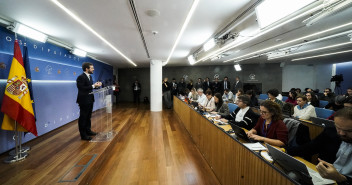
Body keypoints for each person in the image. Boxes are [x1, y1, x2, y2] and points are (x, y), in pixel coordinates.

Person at [316, 107, 352, 184]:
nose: (341, 133)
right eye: (338, 128)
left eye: (349, 131)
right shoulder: (331, 132)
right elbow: (310, 147)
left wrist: (340, 178)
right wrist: (285, 150)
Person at [76, 62, 102, 141]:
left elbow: (89, 88)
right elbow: (82, 88)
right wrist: (93, 85)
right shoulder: (81, 77)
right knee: (83, 117)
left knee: (88, 117)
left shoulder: (90, 77)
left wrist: (96, 86)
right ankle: (83, 135)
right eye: (92, 68)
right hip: (83, 101)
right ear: (87, 69)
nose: (93, 69)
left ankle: (88, 131)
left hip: (90, 100)